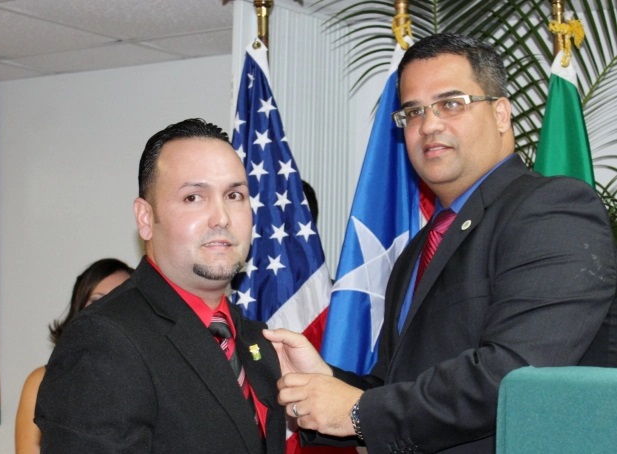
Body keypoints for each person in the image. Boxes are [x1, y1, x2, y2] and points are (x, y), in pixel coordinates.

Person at [264, 33, 617, 454]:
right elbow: (398, 385)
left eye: (451, 104)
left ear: (501, 114)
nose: (429, 125)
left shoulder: (552, 209)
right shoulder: (418, 250)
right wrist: (325, 383)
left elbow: (515, 376)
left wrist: (358, 411)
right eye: (413, 112)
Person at [35, 118, 286, 453]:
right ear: (145, 218)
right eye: (194, 197)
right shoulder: (104, 340)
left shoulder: (255, 339)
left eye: (234, 195)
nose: (222, 217)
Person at [15, 258, 133, 454]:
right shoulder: (41, 381)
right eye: (97, 300)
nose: (109, 311)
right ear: (79, 309)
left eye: (119, 301)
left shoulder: (152, 380)